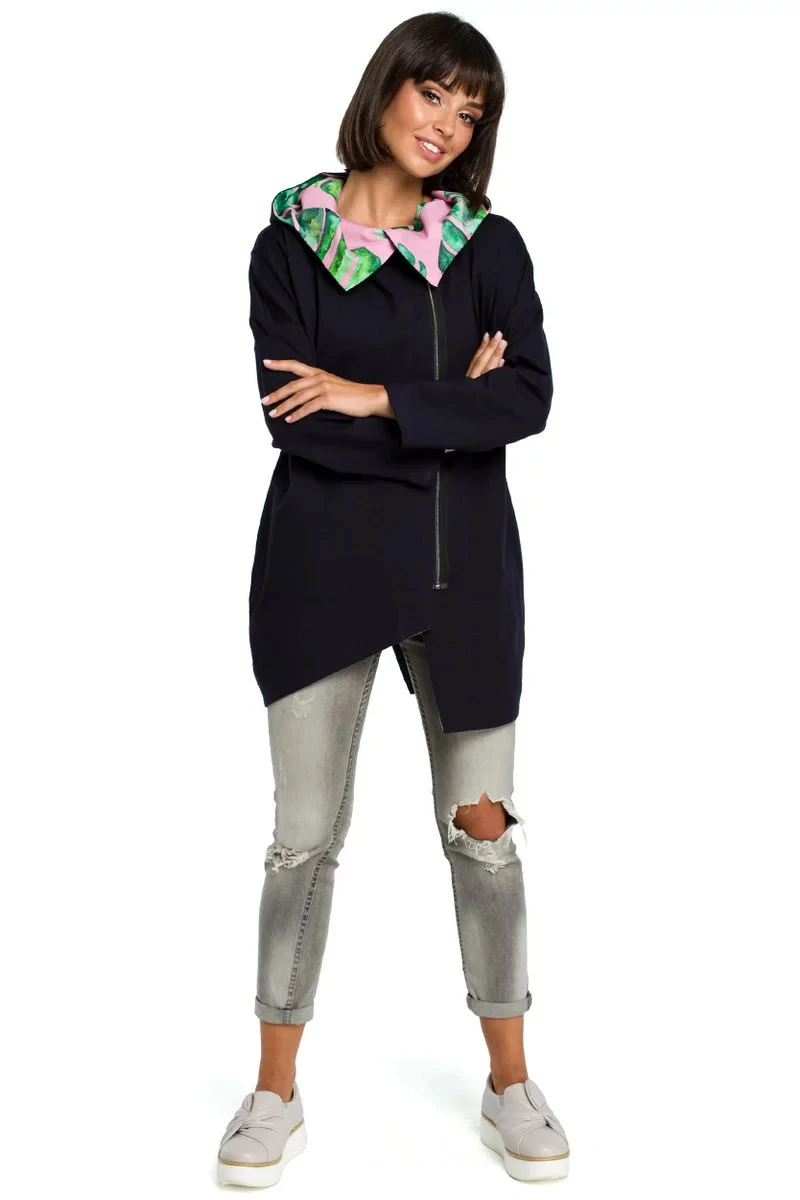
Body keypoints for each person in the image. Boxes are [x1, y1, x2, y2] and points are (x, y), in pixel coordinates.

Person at [217, 11, 570, 1189]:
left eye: (471, 112)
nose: (448, 125)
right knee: (302, 842)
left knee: (484, 834)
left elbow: (526, 398)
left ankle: (509, 1080)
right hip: (320, 574)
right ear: (384, 90)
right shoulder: (286, 247)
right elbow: (294, 425)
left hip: (465, 577)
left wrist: (374, 397)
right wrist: (444, 408)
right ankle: (273, 1093)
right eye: (433, 95)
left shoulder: (486, 246)